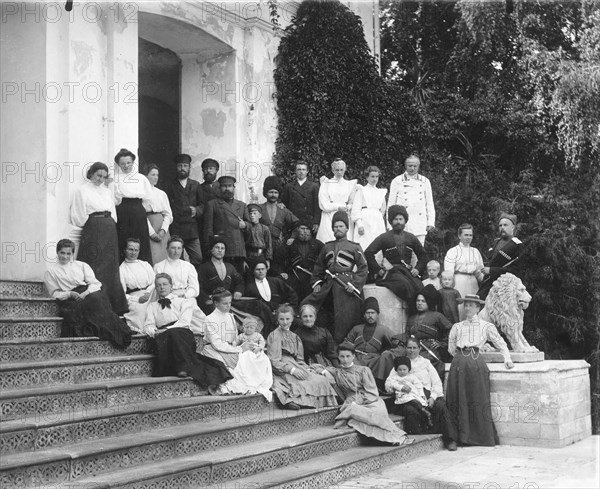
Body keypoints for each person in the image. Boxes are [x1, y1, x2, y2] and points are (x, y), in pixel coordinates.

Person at [447, 294, 514, 446]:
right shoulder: (457, 327)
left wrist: (507, 359)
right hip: (458, 364)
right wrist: (461, 358)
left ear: (478, 308)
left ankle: (478, 437)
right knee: (456, 399)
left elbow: (501, 344)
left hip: (476, 364)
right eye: (466, 305)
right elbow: (451, 349)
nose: (468, 308)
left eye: (471, 305)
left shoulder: (486, 327)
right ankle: (457, 438)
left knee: (477, 398)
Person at [143, 274, 232, 387]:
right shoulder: (152, 306)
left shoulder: (184, 301)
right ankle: (181, 367)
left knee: (175, 333)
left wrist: (166, 330)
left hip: (182, 333)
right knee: (168, 336)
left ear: (171, 286)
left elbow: (184, 322)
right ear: (155, 288)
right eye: (158, 285)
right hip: (163, 336)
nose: (162, 287)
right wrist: (154, 332)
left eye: (165, 284)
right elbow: (148, 325)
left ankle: (182, 368)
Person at [314, 343, 410, 445]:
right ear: (338, 357)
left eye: (348, 356)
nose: (345, 360)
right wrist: (324, 371)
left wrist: (359, 401)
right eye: (342, 356)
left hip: (372, 400)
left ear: (353, 356)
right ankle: (393, 439)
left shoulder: (363, 370)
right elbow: (314, 366)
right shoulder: (337, 372)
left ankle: (395, 435)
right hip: (351, 403)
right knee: (358, 414)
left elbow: (372, 392)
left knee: (375, 415)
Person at [44, 239, 132, 348]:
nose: (65, 256)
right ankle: (119, 333)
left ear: (72, 254)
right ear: (57, 252)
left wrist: (86, 293)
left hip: (87, 292)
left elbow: (95, 283)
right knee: (94, 301)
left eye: (68, 253)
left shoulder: (81, 265)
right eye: (62, 253)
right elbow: (54, 293)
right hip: (70, 299)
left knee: (97, 298)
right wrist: (70, 294)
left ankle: (120, 332)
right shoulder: (51, 271)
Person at [69, 161, 128, 314]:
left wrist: (111, 224)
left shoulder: (107, 191)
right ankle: (95, 302)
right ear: (91, 174)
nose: (100, 179)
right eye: (98, 175)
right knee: (95, 264)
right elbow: (79, 214)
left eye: (103, 176)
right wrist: (90, 225)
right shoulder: (82, 191)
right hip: (93, 228)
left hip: (109, 229)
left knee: (110, 266)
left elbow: (113, 210)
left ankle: (113, 305)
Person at [302, 211, 368, 343]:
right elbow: (318, 267)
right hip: (328, 285)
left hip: (345, 287)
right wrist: (317, 283)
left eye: (341, 226)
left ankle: (343, 344)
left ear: (347, 228)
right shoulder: (327, 247)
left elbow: (363, 268)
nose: (338, 229)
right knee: (308, 304)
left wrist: (354, 285)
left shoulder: (354, 247)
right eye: (335, 227)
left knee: (345, 317)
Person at [202, 288, 273, 400]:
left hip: (232, 347)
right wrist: (239, 349)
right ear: (216, 303)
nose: (228, 306)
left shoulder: (230, 316)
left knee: (257, 357)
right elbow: (217, 344)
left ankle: (258, 382)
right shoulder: (210, 319)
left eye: (230, 303)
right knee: (237, 367)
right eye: (224, 303)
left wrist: (242, 345)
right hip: (215, 349)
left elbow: (235, 337)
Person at [266, 304, 338, 410]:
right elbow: (275, 361)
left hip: (295, 365)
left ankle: (308, 402)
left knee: (319, 380)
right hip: (281, 369)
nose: (285, 322)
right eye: (281, 319)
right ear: (277, 320)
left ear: (292, 319)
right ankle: (294, 401)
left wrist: (307, 369)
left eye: (287, 319)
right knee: (300, 384)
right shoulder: (274, 335)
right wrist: (293, 370)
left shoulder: (295, 337)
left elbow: (300, 360)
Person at [402, 337, 457, 450]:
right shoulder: (401, 363)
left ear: (419, 349)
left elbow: (436, 383)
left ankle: (450, 440)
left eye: (414, 348)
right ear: (405, 348)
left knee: (441, 406)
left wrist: (432, 397)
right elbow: (391, 381)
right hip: (411, 397)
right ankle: (419, 443)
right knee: (410, 410)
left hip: (427, 394)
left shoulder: (426, 363)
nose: (412, 351)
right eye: (409, 348)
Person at [343, 297, 406, 392]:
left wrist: (389, 352)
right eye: (367, 313)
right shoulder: (356, 329)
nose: (370, 316)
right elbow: (346, 345)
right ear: (364, 315)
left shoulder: (383, 330)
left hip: (374, 361)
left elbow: (398, 342)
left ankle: (378, 385)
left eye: (373, 313)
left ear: (377, 315)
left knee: (384, 358)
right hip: (357, 359)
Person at [364, 205, 425, 303]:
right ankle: (412, 311)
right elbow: (368, 253)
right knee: (404, 284)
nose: (398, 222)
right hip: (391, 273)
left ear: (405, 221)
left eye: (401, 219)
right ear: (391, 221)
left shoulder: (411, 238)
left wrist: (417, 269)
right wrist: (377, 270)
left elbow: (423, 255)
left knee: (419, 286)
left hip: (406, 273)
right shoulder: (384, 237)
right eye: (395, 219)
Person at [112, 148, 153, 264]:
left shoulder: (141, 178)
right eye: (122, 164)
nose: (126, 166)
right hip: (122, 212)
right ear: (118, 165)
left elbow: (148, 199)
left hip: (138, 212)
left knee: (140, 240)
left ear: (133, 162)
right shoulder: (115, 178)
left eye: (129, 163)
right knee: (123, 240)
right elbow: (114, 199)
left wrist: (139, 210)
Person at [162, 153, 205, 265]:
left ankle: (193, 281)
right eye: (180, 166)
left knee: (198, 258)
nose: (182, 168)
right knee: (177, 259)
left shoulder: (196, 185)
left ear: (189, 167)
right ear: (176, 167)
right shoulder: (169, 185)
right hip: (176, 228)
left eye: (185, 166)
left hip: (192, 230)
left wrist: (197, 210)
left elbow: (202, 205)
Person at [204, 175, 250, 275]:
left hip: (238, 250)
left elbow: (250, 226)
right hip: (221, 249)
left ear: (234, 188)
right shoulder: (212, 204)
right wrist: (209, 249)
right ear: (220, 188)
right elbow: (208, 229)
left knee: (239, 278)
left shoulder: (242, 205)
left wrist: (245, 225)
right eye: (224, 186)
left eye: (229, 186)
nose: (227, 189)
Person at [406, 285, 452, 381]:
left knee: (421, 363)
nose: (419, 303)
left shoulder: (437, 316)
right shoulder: (411, 318)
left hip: (430, 350)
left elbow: (451, 330)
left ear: (429, 302)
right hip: (414, 349)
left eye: (423, 301)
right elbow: (407, 335)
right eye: (418, 301)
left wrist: (442, 343)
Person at [243, 258, 299, 337]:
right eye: (258, 269)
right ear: (253, 271)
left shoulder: (276, 281)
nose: (261, 271)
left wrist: (289, 309)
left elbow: (292, 294)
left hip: (282, 317)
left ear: (266, 270)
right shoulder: (250, 288)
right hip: (264, 320)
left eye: (263, 269)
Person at [387, 155, 435, 246]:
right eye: (410, 166)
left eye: (415, 166)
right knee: (401, 252)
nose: (412, 168)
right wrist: (389, 225)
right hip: (402, 223)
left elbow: (429, 203)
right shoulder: (397, 181)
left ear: (418, 166)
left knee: (419, 252)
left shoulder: (425, 181)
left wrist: (431, 222)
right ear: (405, 166)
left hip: (420, 223)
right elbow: (390, 205)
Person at [260, 176, 299, 275]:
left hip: (278, 247)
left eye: (276, 192)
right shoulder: (259, 208)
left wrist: (293, 237)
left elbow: (297, 224)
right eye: (270, 192)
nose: (273, 195)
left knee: (279, 272)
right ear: (266, 193)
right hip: (262, 246)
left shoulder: (283, 210)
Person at [478, 213, 522, 300]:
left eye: (505, 225)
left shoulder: (517, 246)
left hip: (504, 287)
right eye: (500, 225)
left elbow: (516, 270)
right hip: (488, 283)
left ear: (513, 227)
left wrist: (491, 270)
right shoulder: (496, 242)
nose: (502, 228)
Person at [443, 223, 484, 318]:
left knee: (473, 308)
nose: (468, 237)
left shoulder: (475, 251)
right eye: (466, 235)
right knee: (461, 308)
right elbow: (448, 273)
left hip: (473, 283)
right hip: (459, 282)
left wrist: (483, 279)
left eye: (470, 235)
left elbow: (479, 271)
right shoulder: (453, 251)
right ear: (459, 236)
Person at [197, 237, 244, 315]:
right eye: (217, 247)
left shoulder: (230, 267)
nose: (220, 250)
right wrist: (206, 299)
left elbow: (239, 281)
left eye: (222, 248)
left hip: (228, 302)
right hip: (212, 303)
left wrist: (238, 291)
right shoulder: (204, 268)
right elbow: (198, 287)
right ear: (211, 250)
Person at [316, 158, 357, 244]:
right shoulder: (326, 183)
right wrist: (338, 207)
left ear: (345, 170)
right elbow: (323, 204)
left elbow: (352, 201)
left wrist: (348, 207)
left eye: (341, 170)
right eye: (337, 170)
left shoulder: (349, 184)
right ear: (333, 170)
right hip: (329, 215)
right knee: (328, 240)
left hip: (344, 215)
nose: (339, 172)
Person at [385, 356, 433, 429]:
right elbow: (391, 384)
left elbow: (419, 386)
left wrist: (422, 395)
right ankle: (424, 411)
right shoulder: (394, 377)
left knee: (415, 402)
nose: (402, 372)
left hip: (413, 394)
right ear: (396, 370)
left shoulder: (412, 377)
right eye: (399, 370)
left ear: (408, 369)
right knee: (412, 402)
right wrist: (401, 387)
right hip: (403, 396)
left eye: (404, 369)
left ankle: (424, 415)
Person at [119, 238, 155, 334]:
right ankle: (142, 333)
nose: (133, 253)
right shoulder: (121, 269)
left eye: (136, 250)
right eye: (130, 249)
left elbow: (154, 282)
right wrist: (137, 299)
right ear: (124, 250)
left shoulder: (145, 265)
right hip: (135, 297)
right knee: (139, 309)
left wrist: (148, 292)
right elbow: (122, 293)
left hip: (151, 293)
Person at [285, 220, 324, 301]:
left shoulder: (318, 244)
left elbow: (324, 263)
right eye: (302, 228)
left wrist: (319, 281)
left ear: (310, 231)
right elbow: (281, 261)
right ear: (298, 230)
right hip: (295, 279)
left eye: (307, 229)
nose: (305, 231)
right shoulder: (291, 245)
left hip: (313, 280)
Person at [351, 166, 387, 253]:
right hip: (365, 222)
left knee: (378, 246)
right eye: (372, 176)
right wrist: (359, 225)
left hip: (377, 222)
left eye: (376, 177)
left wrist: (376, 217)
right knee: (364, 244)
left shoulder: (380, 192)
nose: (374, 179)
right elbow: (356, 209)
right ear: (367, 177)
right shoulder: (361, 191)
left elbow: (383, 209)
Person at [281, 160, 321, 236]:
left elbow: (317, 206)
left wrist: (316, 222)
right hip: (293, 221)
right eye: (299, 169)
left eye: (303, 169)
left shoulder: (314, 186)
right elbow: (284, 203)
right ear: (295, 171)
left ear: (307, 171)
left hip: (309, 221)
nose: (301, 172)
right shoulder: (289, 186)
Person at [143, 164, 173, 264]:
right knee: (153, 256)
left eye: (157, 175)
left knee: (164, 257)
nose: (156, 177)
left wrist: (163, 230)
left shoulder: (161, 193)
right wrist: (151, 233)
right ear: (145, 176)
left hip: (162, 227)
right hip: (148, 226)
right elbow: (141, 214)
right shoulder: (141, 193)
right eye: (152, 175)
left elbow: (168, 214)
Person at [199, 158, 221, 256]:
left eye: (211, 168)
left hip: (220, 225)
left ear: (216, 171)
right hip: (203, 225)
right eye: (206, 169)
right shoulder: (199, 188)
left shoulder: (222, 187)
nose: (208, 171)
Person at [244, 204, 273, 273]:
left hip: (261, 256)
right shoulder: (246, 228)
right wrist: (243, 260)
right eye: (250, 213)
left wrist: (267, 260)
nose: (252, 215)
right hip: (249, 257)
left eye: (254, 213)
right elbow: (242, 244)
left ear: (260, 215)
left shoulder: (265, 228)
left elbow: (269, 245)